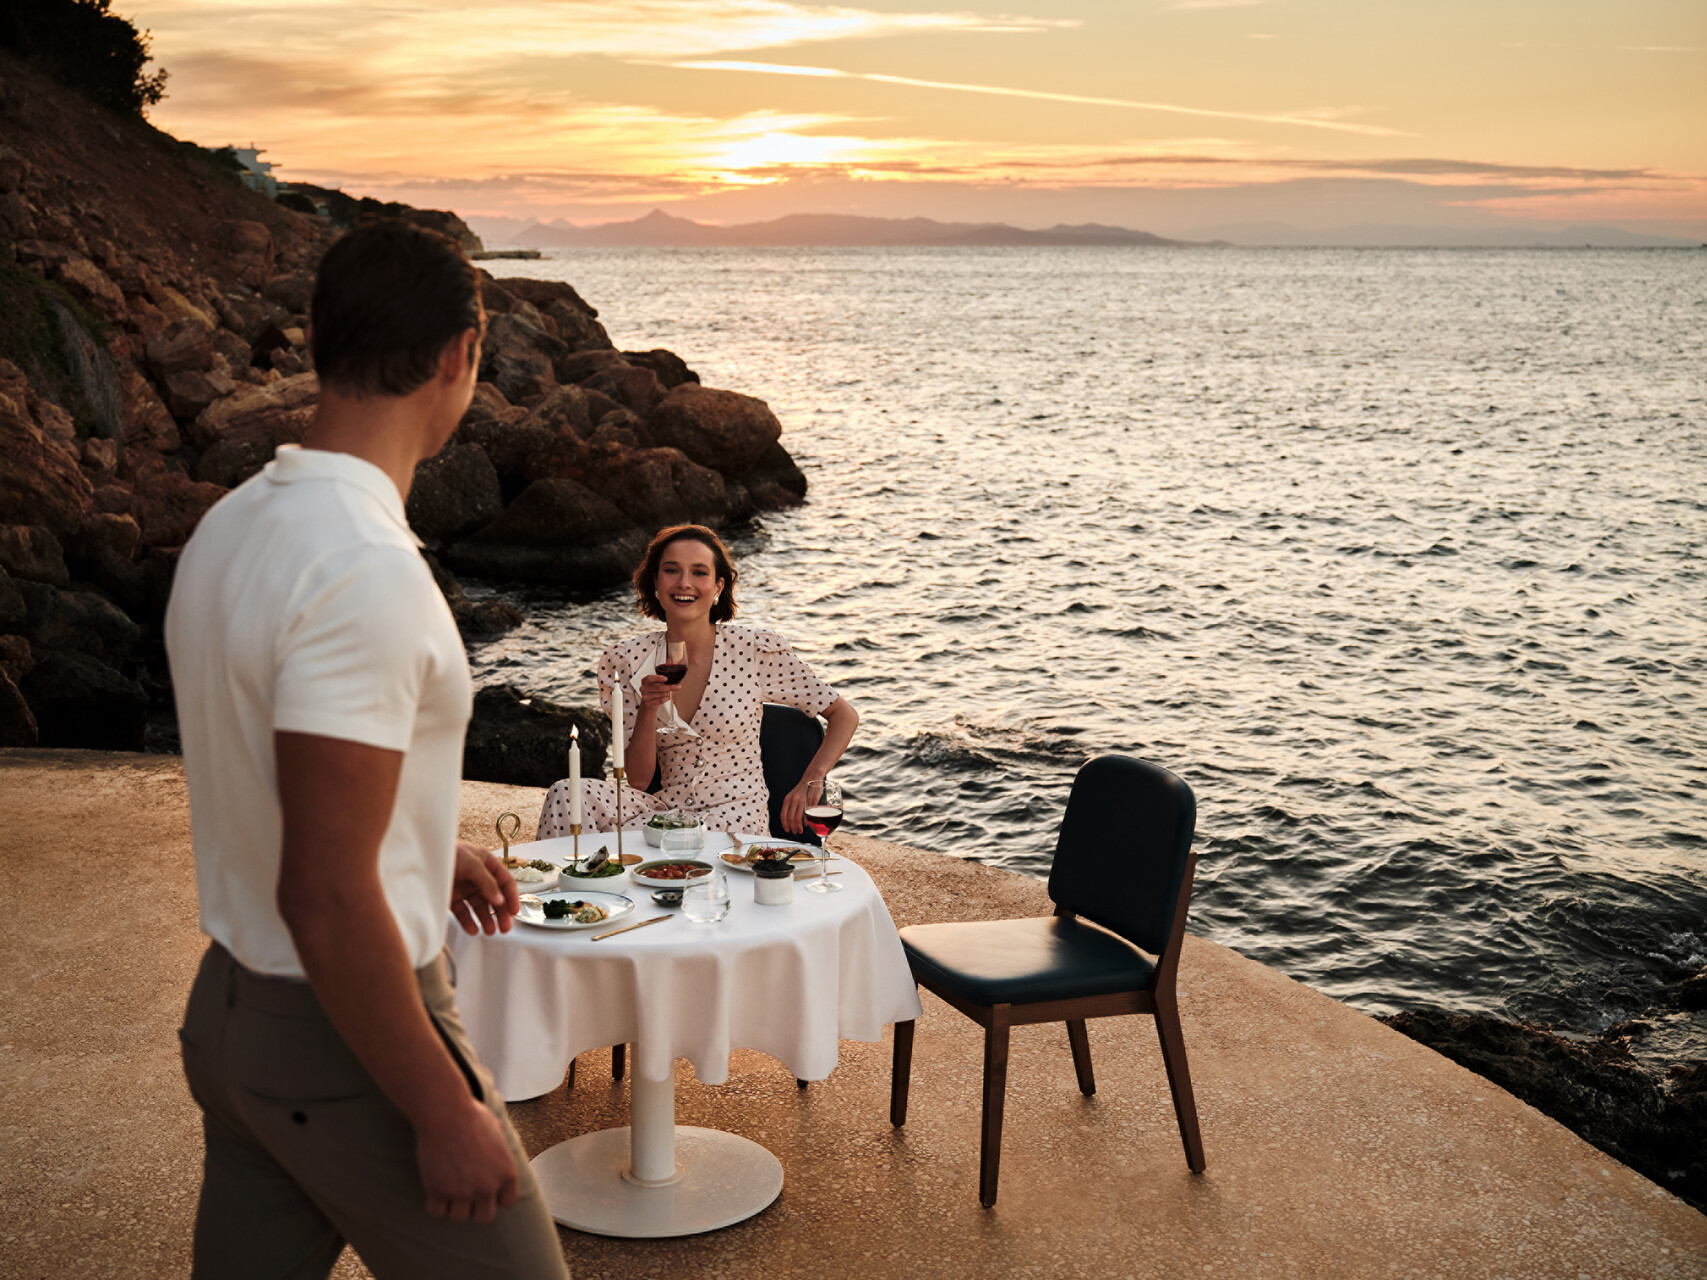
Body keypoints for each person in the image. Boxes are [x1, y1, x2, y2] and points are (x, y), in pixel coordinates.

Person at [166, 221, 568, 1280]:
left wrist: (420, 851)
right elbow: (330, 898)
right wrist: (445, 1106)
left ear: (316, 336)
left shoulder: (236, 526)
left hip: (233, 1017)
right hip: (346, 1039)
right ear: (458, 354)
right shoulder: (364, 571)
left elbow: (272, 776)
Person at [538, 525, 858, 839]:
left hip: (735, 815)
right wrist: (649, 709)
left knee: (675, 850)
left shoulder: (754, 649)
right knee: (568, 793)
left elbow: (844, 715)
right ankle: (576, 889)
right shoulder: (628, 660)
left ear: (719, 586)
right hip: (666, 812)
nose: (685, 583)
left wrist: (810, 781)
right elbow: (636, 781)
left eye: (699, 572)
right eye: (672, 570)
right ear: (655, 583)